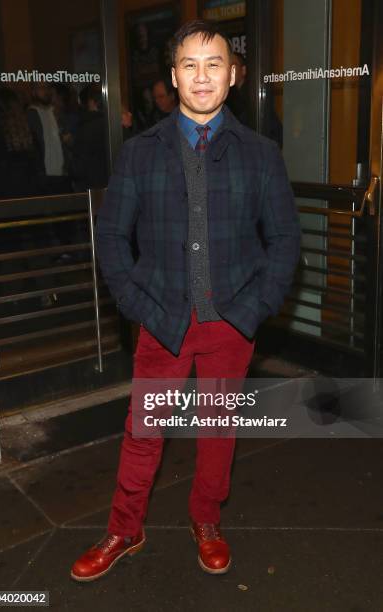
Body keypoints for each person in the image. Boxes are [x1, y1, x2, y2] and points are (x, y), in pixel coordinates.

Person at [71, 19, 301, 582]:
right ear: (174, 76)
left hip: (231, 323)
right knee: (143, 431)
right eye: (191, 65)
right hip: (162, 319)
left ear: (232, 76)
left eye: (214, 64)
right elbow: (112, 238)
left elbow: (286, 243)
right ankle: (125, 528)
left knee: (217, 431)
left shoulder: (262, 154)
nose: (202, 76)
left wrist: (249, 313)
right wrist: (136, 303)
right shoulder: (139, 153)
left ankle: (206, 519)